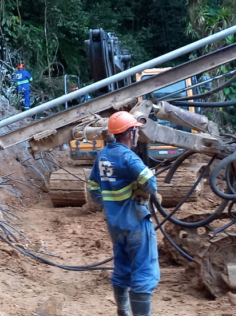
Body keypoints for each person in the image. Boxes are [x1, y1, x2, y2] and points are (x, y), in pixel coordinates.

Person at [87, 111, 160, 316]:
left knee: (122, 269)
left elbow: (93, 188)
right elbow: (151, 183)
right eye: (136, 130)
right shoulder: (128, 157)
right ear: (130, 133)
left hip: (115, 224)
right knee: (144, 271)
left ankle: (123, 312)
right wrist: (138, 191)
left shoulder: (102, 155)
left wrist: (111, 203)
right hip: (136, 222)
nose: (137, 134)